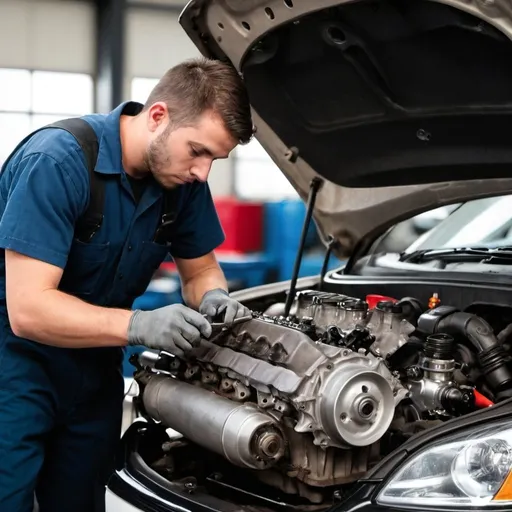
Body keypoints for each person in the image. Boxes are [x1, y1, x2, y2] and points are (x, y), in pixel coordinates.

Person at [0, 57, 254, 511]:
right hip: (15, 368)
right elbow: (29, 310)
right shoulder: (57, 162)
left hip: (95, 374)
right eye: (197, 151)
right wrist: (139, 324)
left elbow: (199, 271)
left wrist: (214, 297)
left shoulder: (183, 185)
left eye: (215, 158)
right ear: (158, 116)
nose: (203, 172)